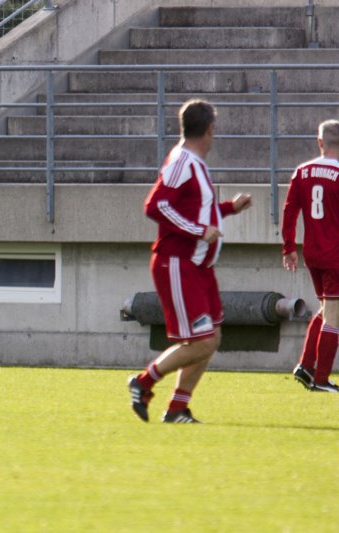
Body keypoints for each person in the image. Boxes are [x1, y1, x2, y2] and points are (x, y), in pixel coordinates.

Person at [128, 99, 253, 423]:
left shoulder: (193, 162)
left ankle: (177, 409)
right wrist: (199, 231)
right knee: (200, 342)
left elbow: (196, 210)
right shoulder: (182, 161)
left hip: (199, 267)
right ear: (210, 129)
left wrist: (229, 208)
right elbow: (155, 206)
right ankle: (143, 382)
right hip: (177, 263)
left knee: (210, 339)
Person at [281, 120, 339, 393]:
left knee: (327, 309)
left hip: (313, 254)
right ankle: (321, 379)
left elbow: (289, 211)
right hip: (335, 255)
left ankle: (305, 366)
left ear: (320, 142)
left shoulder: (302, 172)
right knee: (334, 316)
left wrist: (288, 248)